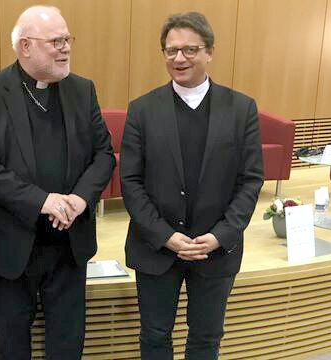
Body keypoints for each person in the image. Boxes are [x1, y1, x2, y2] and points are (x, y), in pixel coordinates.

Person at [0, 5, 114, 360]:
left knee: (68, 341)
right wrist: (40, 201)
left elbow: (104, 154)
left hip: (68, 242)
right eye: (56, 41)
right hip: (9, 243)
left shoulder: (82, 89)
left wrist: (79, 199)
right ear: (25, 46)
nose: (66, 48)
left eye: (67, 39)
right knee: (13, 342)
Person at [120, 12, 263, 360]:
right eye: (170, 51)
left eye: (189, 50)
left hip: (215, 249)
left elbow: (250, 181)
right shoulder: (141, 110)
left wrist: (221, 235)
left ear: (209, 52)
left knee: (206, 338)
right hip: (156, 248)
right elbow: (131, 182)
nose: (179, 58)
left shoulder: (241, 108)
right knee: (154, 336)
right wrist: (165, 236)